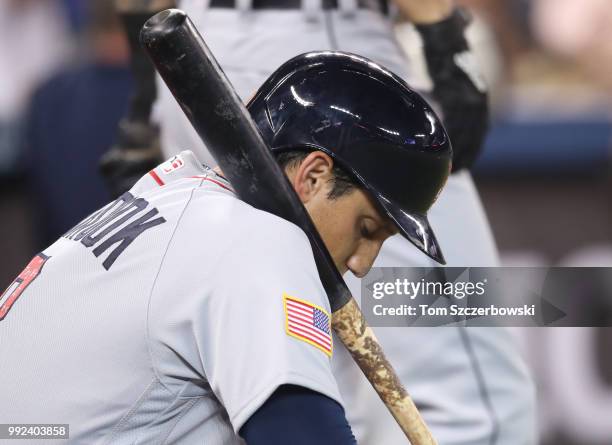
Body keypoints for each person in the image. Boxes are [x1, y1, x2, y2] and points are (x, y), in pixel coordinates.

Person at [0, 52, 451, 444]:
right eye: (367, 228)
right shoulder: (260, 243)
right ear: (312, 176)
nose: (362, 263)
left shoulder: (179, 196)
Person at [151, 0, 537, 443]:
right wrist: (444, 36)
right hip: (331, 68)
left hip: (194, 65)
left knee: (295, 380)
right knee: (479, 404)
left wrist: (144, 82)